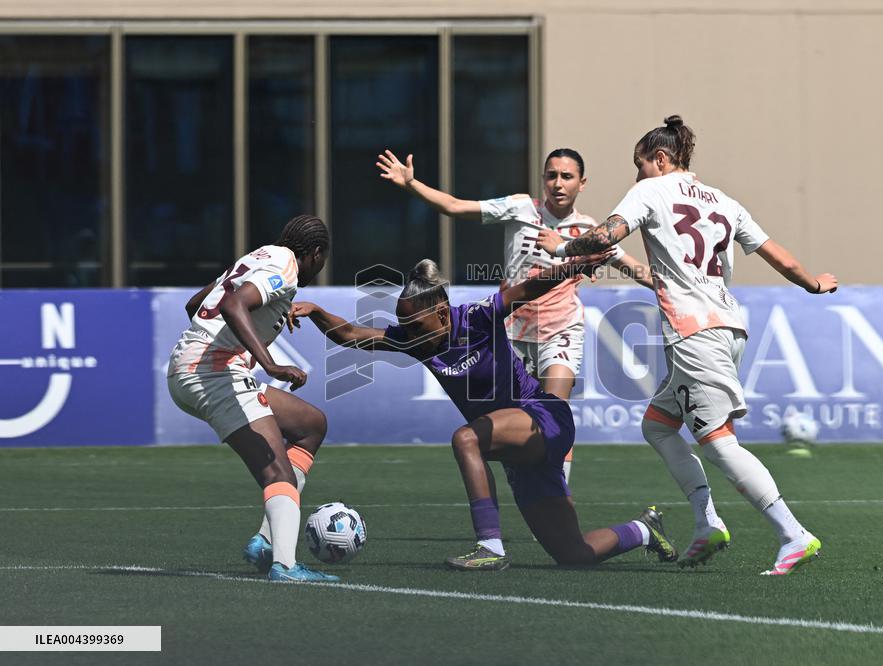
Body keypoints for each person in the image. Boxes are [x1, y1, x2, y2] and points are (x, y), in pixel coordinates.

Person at [535, 116, 839, 576]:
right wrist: (814, 283)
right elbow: (777, 253)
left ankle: (792, 534)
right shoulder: (723, 200)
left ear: (661, 159)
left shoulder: (651, 191)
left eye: (640, 166)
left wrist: (561, 248)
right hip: (726, 326)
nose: (636, 177)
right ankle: (707, 523)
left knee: (718, 442)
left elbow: (604, 235)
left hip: (696, 336)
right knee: (657, 427)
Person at [289, 257, 677, 571]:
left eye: (415, 324)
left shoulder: (476, 317)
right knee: (574, 555)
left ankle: (490, 546)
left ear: (442, 314)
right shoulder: (417, 341)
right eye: (404, 326)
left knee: (466, 438)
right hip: (516, 449)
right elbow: (350, 335)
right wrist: (317, 310)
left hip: (544, 417)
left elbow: (530, 288)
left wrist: (577, 264)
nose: (408, 333)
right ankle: (644, 530)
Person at [377, 148, 654, 483]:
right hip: (510, 333)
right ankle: (529, 482)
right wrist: (411, 184)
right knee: (510, 424)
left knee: (554, 411)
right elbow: (454, 206)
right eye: (551, 175)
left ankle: (558, 492)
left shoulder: (589, 231)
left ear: (582, 183)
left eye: (567, 176)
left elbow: (637, 269)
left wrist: (684, 289)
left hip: (561, 331)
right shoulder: (521, 207)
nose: (557, 183)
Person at [166, 215, 338, 583]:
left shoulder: (260, 255)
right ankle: (286, 565)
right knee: (277, 471)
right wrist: (271, 364)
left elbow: (198, 304)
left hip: (196, 367)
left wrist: (267, 314)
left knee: (310, 425)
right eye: (322, 261)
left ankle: (266, 541)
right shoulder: (287, 266)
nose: (320, 268)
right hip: (211, 372)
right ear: (316, 254)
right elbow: (233, 305)